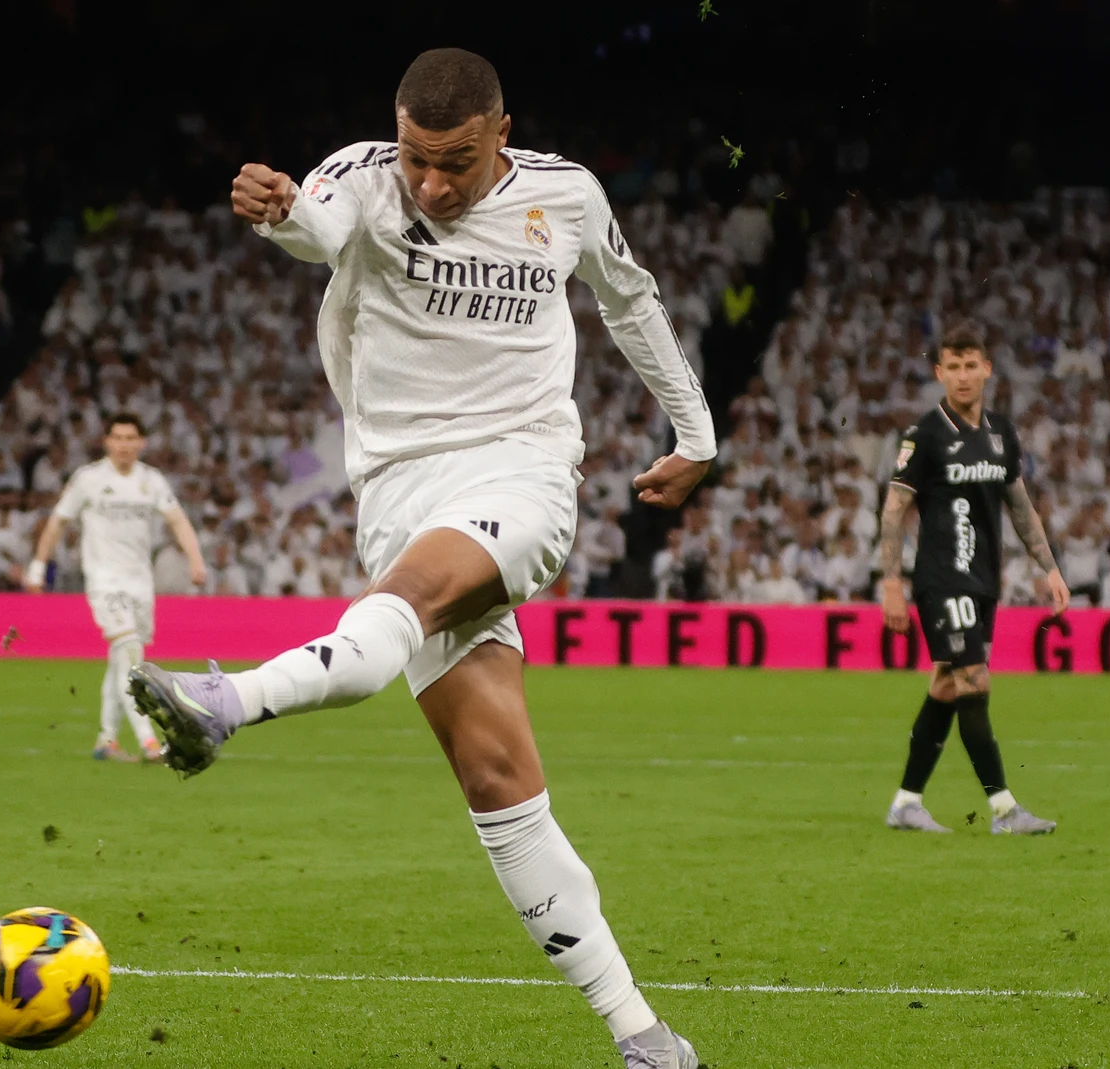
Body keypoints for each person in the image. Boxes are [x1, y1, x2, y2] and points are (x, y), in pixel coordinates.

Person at [127, 49, 713, 1069]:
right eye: (416, 160)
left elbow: (629, 297)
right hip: (396, 490)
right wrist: (276, 210)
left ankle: (228, 703)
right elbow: (316, 230)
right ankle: (645, 1036)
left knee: (400, 601)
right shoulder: (358, 176)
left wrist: (695, 434)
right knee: (496, 779)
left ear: (500, 133)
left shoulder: (563, 195)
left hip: (520, 473)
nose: (431, 185)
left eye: (453, 163)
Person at [880, 319, 1069, 836]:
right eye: (953, 368)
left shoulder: (1001, 433)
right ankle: (1005, 810)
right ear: (939, 373)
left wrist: (1049, 567)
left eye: (971, 366)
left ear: (986, 369)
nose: (963, 377)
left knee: (946, 683)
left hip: (984, 581)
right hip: (943, 579)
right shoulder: (925, 435)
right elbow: (895, 509)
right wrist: (891, 582)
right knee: (974, 679)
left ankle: (906, 803)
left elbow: (1020, 505)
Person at [25, 414, 207, 763]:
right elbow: (57, 521)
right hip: (104, 581)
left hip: (140, 582)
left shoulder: (151, 481)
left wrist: (195, 559)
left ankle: (107, 740)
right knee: (132, 654)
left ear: (142, 443)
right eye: (118, 437)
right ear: (106, 442)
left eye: (131, 438)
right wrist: (38, 565)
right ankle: (149, 742)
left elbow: (177, 520)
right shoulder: (89, 479)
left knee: (121, 659)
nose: (124, 444)